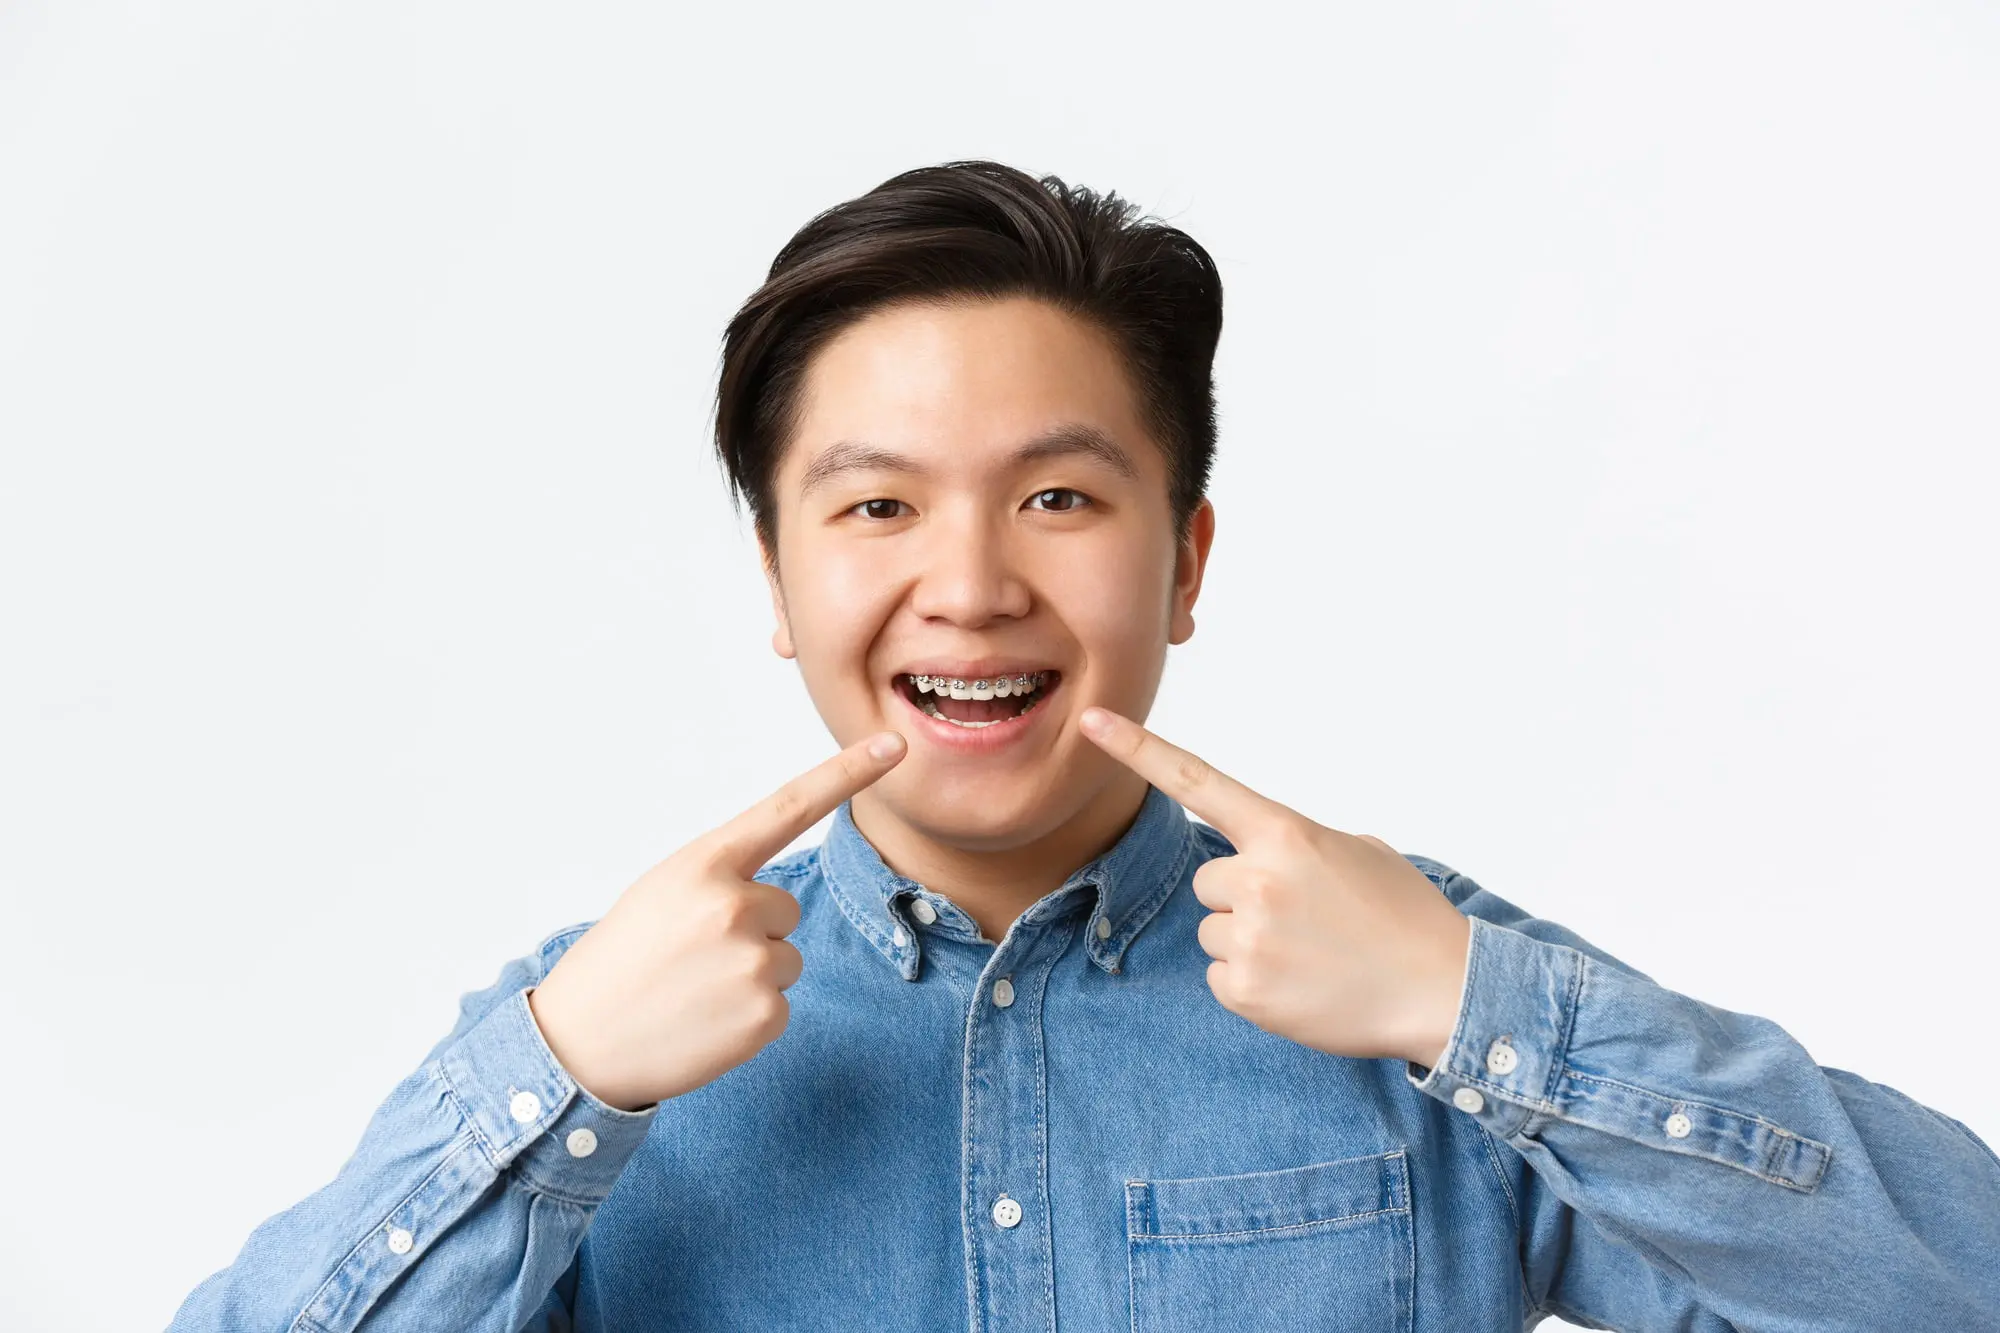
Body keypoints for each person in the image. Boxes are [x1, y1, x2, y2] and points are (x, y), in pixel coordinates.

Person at [166, 160, 2000, 1332]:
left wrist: (1472, 1006)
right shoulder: (601, 1034)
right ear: (781, 583)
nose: (969, 587)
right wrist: (558, 1074)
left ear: (1185, 559)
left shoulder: (1415, 986)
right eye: (876, 509)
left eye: (1057, 495)